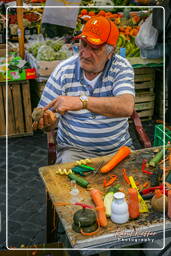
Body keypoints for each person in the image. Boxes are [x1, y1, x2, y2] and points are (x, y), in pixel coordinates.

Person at [33, 16, 135, 163]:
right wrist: (48, 122)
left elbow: (126, 107)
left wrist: (82, 101)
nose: (85, 53)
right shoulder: (64, 70)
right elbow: (45, 118)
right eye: (83, 44)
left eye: (94, 48)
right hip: (75, 150)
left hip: (117, 149)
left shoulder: (121, 67)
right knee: (67, 182)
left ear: (110, 52)